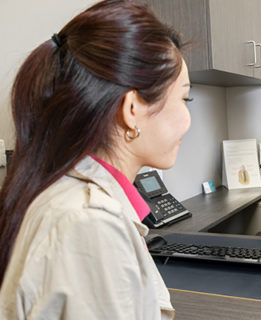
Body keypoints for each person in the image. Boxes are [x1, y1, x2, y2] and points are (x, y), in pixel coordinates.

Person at [0, 1, 192, 318]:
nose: (188, 118)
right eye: (185, 98)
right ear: (132, 110)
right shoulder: (90, 222)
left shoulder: (73, 200)